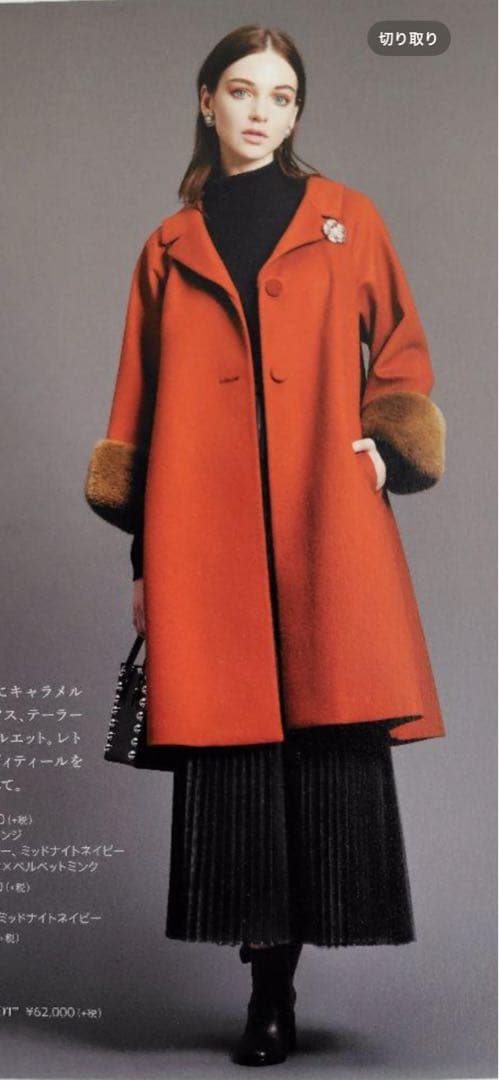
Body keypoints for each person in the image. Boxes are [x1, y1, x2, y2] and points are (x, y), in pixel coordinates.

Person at [84, 24, 447, 1068]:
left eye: (281, 96)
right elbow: (136, 405)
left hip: (324, 522)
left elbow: (402, 345)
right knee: (237, 763)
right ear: (206, 101)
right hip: (204, 541)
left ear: (296, 113)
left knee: (323, 748)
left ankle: (293, 975)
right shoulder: (168, 245)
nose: (261, 111)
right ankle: (266, 995)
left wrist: (385, 442)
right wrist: (145, 563)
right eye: (241, 90)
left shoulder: (347, 216)